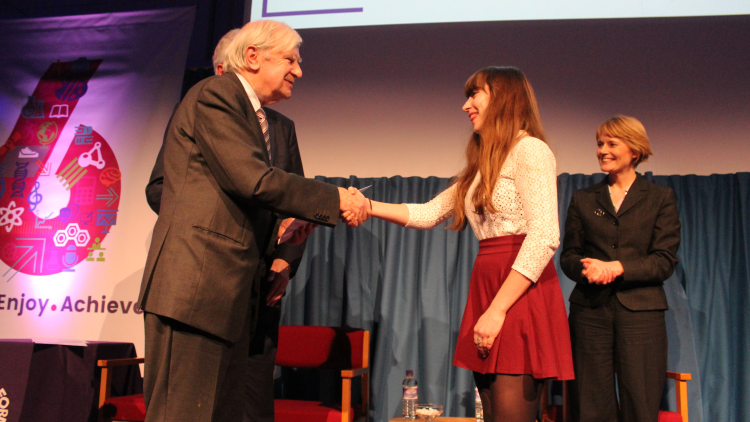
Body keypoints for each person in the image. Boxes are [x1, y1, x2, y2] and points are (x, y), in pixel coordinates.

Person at [136, 20, 369, 422]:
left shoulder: (256, 114)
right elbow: (253, 180)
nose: (299, 71)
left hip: (231, 293)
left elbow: (241, 192)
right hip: (196, 290)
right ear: (252, 57)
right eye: (291, 60)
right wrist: (335, 197)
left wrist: (282, 233)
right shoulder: (217, 93)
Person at [351, 66, 574, 422]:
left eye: (475, 94)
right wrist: (367, 205)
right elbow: (427, 213)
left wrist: (497, 310)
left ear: (502, 97)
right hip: (488, 286)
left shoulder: (530, 150)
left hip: (517, 292)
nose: (466, 105)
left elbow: (545, 235)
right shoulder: (482, 164)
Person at [560, 116, 681, 422]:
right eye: (600, 144)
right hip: (590, 313)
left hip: (641, 314)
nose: (603, 150)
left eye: (612, 143)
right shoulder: (584, 199)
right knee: (590, 404)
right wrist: (587, 269)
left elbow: (664, 259)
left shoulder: (659, 198)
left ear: (635, 150)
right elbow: (569, 255)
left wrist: (617, 267)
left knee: (640, 401)